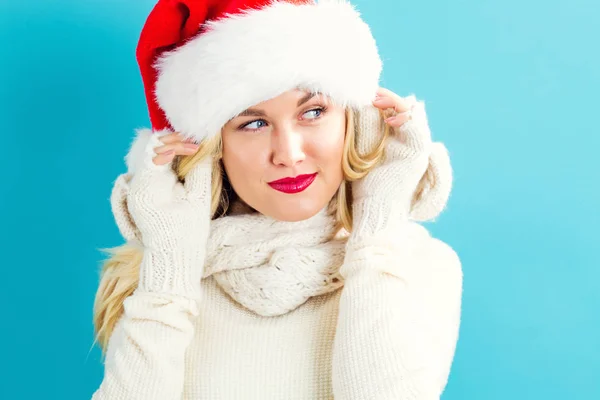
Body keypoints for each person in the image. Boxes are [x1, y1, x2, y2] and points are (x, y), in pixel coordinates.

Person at [91, 0, 463, 399]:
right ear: (210, 148)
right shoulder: (155, 283)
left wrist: (375, 234)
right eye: (253, 123)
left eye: (314, 112)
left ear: (356, 123)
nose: (288, 153)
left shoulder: (419, 267)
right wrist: (169, 268)